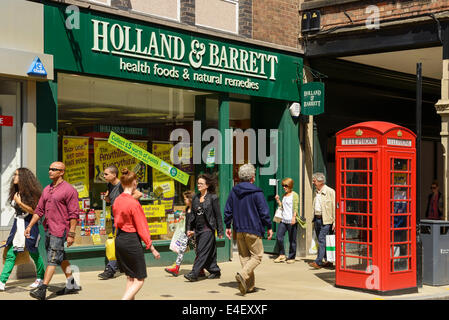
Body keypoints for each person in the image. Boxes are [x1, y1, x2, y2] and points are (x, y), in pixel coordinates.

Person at [25, 162, 81, 300]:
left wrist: (72, 234)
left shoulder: (69, 190)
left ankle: (43, 289)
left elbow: (74, 214)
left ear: (62, 172)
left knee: (52, 258)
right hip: (49, 228)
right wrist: (30, 226)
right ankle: (72, 284)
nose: (50, 171)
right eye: (49, 169)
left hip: (60, 230)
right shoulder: (47, 189)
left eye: (54, 169)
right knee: (61, 258)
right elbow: (39, 210)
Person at [224, 164, 273, 295]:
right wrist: (269, 226)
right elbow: (264, 211)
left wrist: (228, 226)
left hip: (239, 229)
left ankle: (249, 286)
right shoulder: (257, 192)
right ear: (252, 177)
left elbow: (228, 210)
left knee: (245, 257)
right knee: (257, 256)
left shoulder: (234, 191)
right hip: (253, 229)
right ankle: (243, 273)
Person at [113, 168, 160, 300]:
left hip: (120, 239)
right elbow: (142, 227)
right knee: (140, 279)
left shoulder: (117, 200)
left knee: (130, 278)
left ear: (122, 184)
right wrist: (151, 247)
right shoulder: (134, 204)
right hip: (131, 240)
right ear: (135, 183)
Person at [0, 168, 45, 291]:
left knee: (33, 252)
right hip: (17, 226)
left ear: (24, 178)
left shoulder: (31, 193)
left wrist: (19, 203)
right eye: (14, 174)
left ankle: (41, 278)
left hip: (29, 225)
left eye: (17, 175)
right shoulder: (16, 191)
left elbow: (36, 211)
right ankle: (2, 281)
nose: (14, 177)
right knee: (11, 253)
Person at [98, 165, 142, 280]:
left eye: (106, 174)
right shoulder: (109, 185)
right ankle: (121, 266)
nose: (104, 176)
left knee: (117, 245)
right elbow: (109, 199)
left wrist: (125, 205)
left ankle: (111, 269)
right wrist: (107, 198)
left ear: (114, 175)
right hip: (115, 219)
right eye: (104, 174)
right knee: (117, 245)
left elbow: (138, 194)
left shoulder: (121, 185)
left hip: (125, 221)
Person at [184, 174, 224, 282]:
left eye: (201, 183)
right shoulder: (196, 198)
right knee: (208, 253)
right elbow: (192, 215)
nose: (199, 185)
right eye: (198, 183)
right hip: (198, 229)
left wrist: (220, 230)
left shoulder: (213, 197)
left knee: (201, 251)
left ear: (207, 185)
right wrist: (189, 229)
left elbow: (218, 215)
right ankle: (215, 271)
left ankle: (194, 273)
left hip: (208, 229)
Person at [164, 190, 206, 277]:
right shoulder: (187, 209)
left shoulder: (196, 209)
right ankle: (176, 267)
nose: (184, 200)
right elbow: (187, 222)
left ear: (190, 199)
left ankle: (200, 269)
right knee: (181, 250)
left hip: (194, 234)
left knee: (197, 252)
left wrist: (194, 232)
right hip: (187, 233)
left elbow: (200, 222)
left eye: (185, 199)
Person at [309, 172, 335, 269]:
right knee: (323, 241)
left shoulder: (330, 191)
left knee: (321, 239)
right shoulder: (316, 192)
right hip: (317, 219)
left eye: (314, 181)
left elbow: (334, 207)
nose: (313, 182)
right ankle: (328, 260)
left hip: (326, 220)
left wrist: (335, 221)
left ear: (320, 181)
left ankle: (318, 262)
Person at [273, 178, 300, 264]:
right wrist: (278, 201)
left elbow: (296, 207)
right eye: (283, 186)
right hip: (283, 220)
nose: (284, 187)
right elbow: (283, 207)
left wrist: (294, 217)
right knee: (279, 237)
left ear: (290, 186)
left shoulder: (294, 195)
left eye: (286, 186)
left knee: (292, 240)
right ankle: (282, 255)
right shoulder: (284, 195)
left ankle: (292, 257)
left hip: (291, 220)